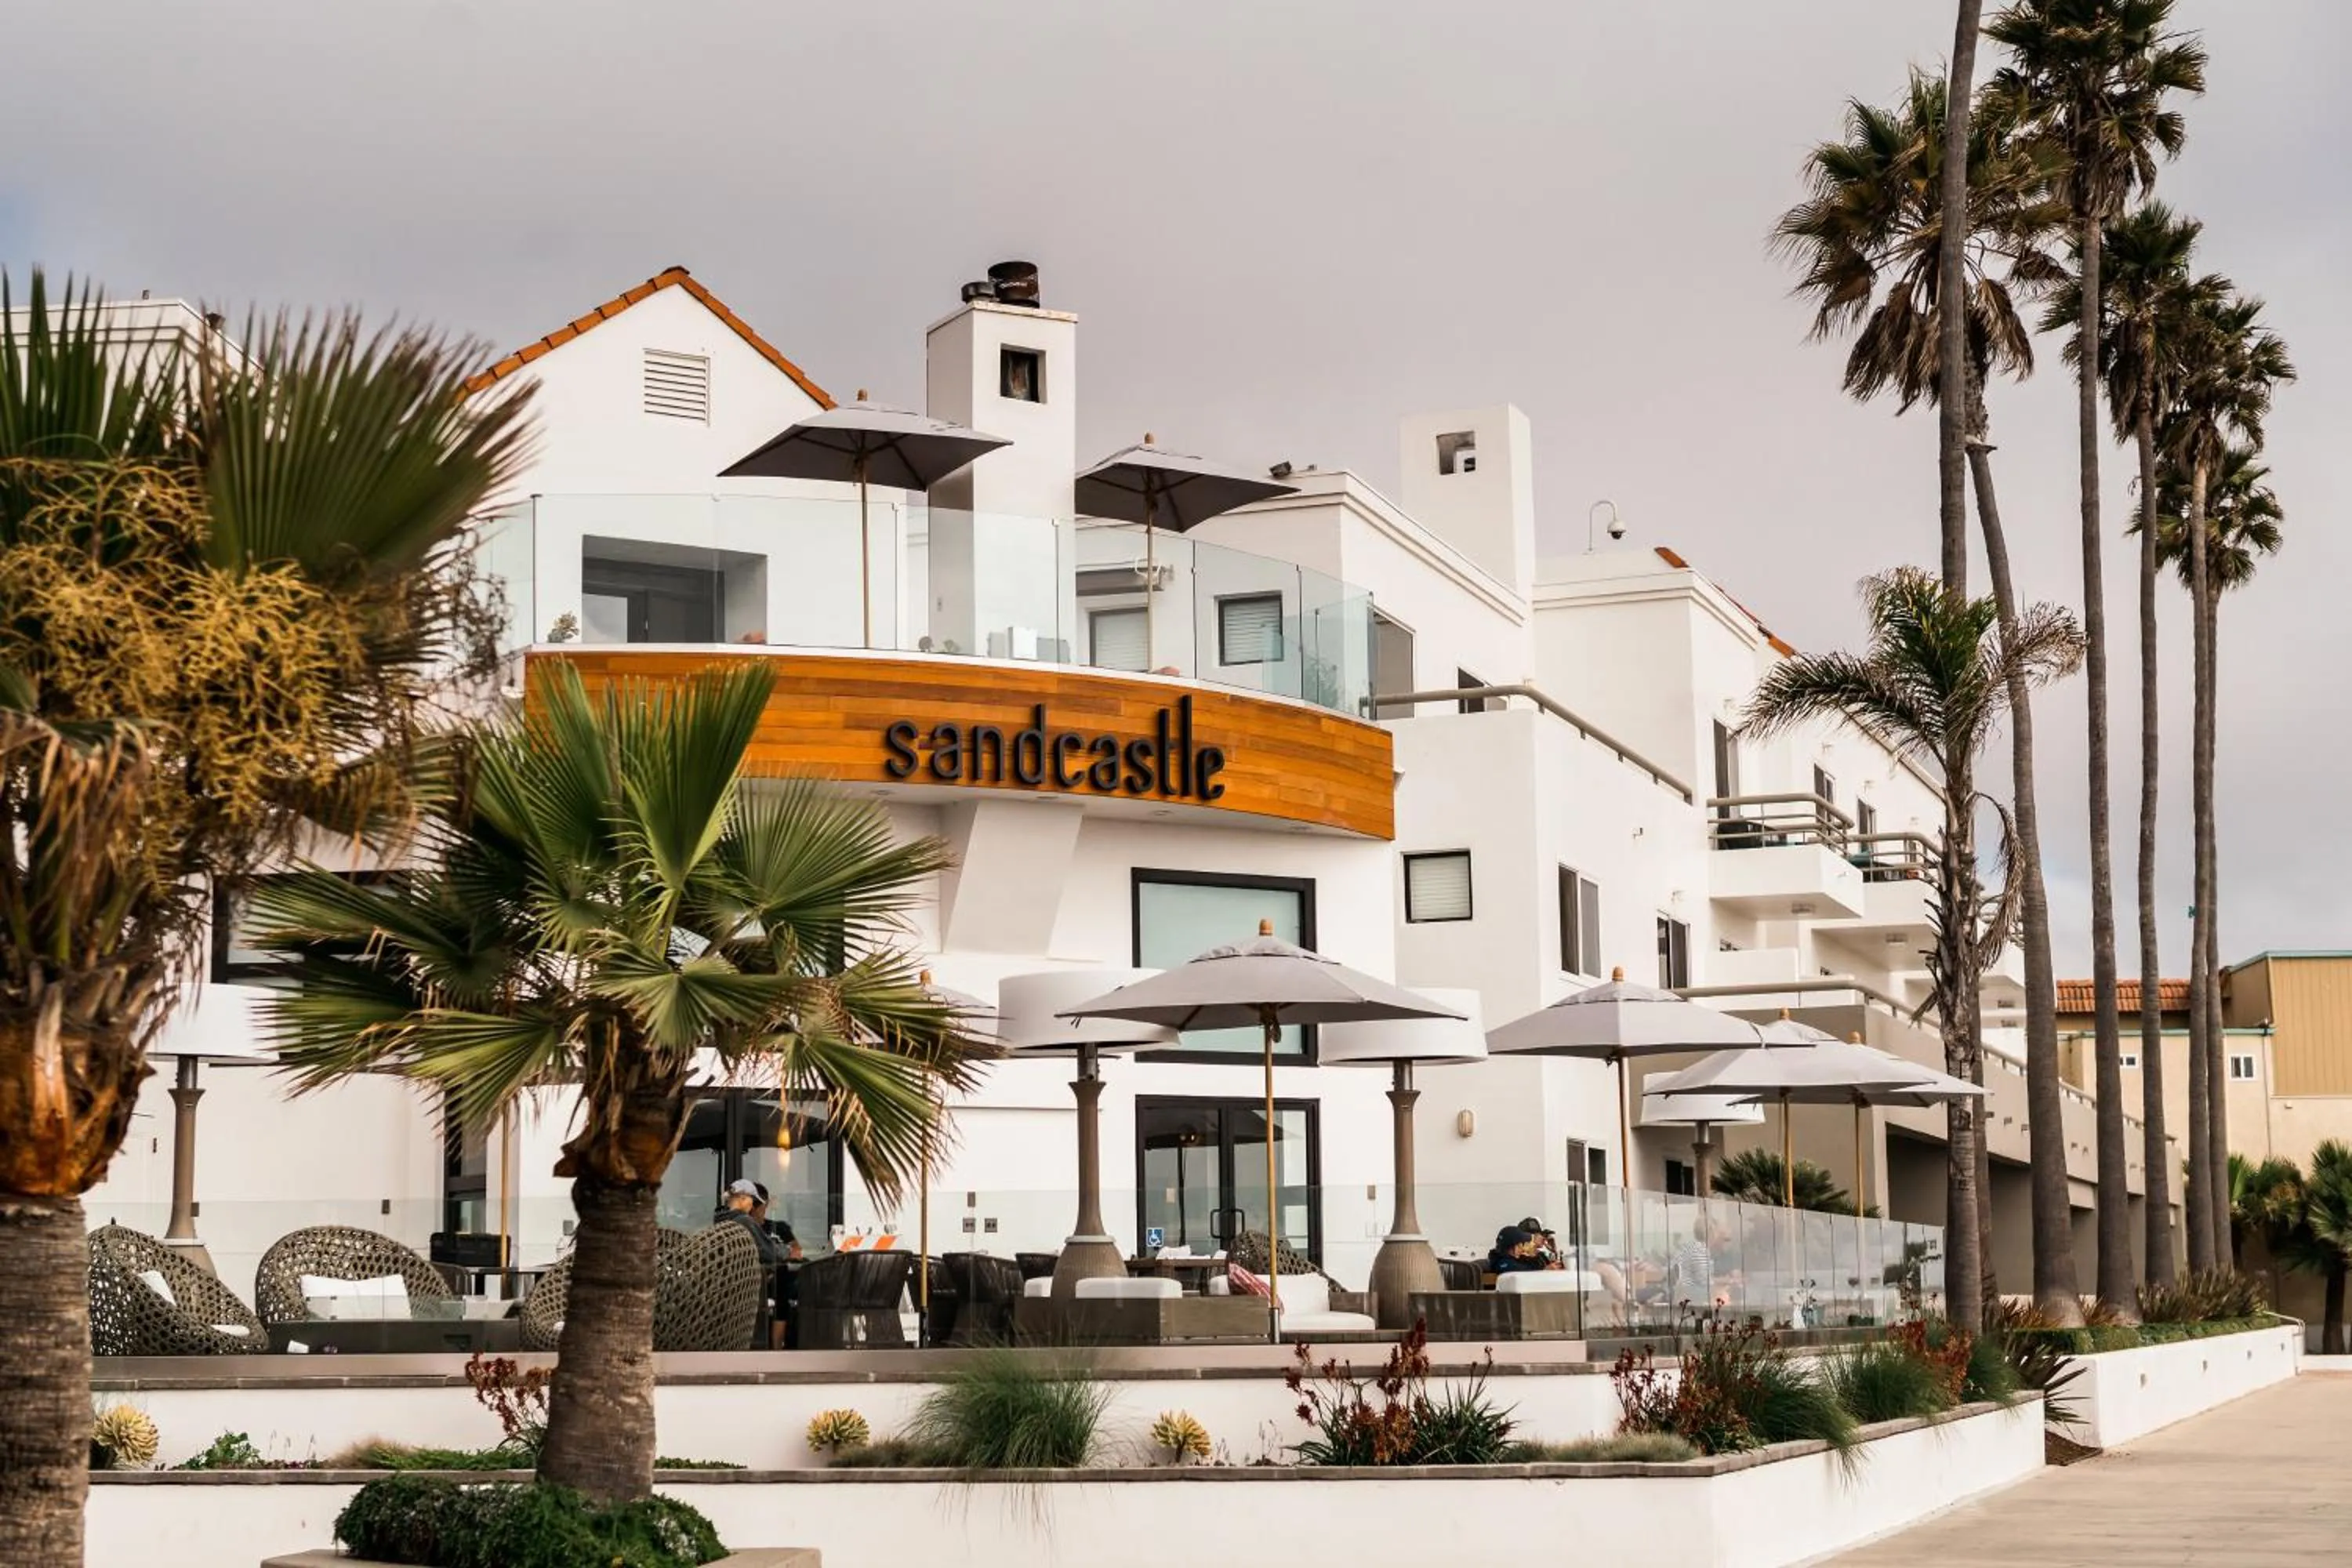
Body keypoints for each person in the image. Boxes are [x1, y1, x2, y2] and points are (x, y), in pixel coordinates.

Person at [1486, 1225, 1562, 1275]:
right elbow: (1519, 1272)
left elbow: (1534, 1266)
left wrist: (1554, 1252)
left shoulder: (1516, 1259)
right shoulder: (1503, 1264)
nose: (1523, 1248)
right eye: (1522, 1244)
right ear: (1514, 1247)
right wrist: (1544, 1271)